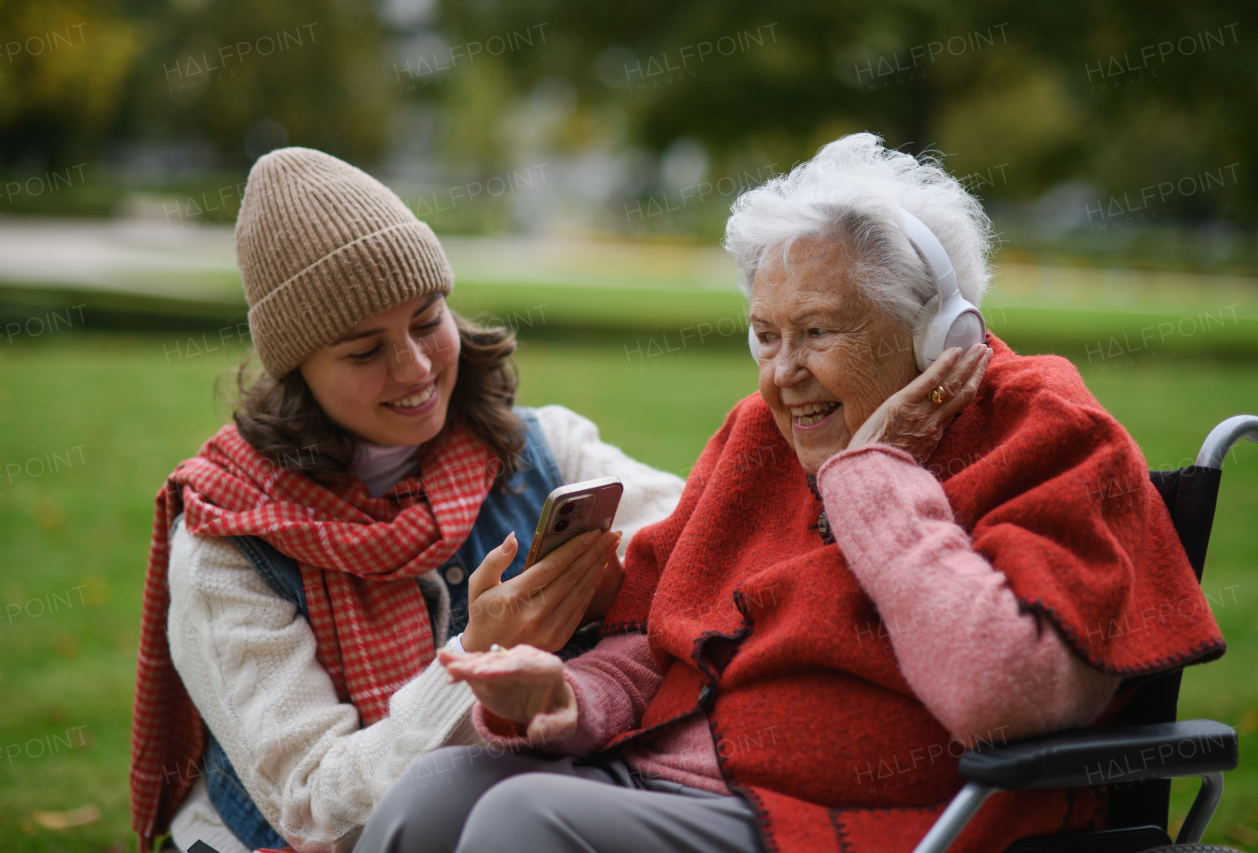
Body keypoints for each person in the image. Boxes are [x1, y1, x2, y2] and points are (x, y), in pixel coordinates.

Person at [354, 133, 1226, 853]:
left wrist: (877, 479)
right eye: (764, 335)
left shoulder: (1045, 430)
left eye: (816, 332)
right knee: (432, 791)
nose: (783, 376)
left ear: (934, 330)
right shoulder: (758, 437)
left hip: (885, 818)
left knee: (522, 820)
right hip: (687, 777)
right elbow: (659, 645)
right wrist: (562, 698)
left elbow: (1002, 695)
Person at [127, 147, 685, 853]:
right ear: (297, 370)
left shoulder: (546, 448)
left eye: (427, 320)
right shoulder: (226, 539)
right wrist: (477, 658)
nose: (416, 367)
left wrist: (628, 589)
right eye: (365, 351)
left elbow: (712, 546)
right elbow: (313, 808)